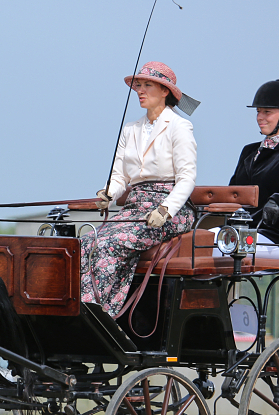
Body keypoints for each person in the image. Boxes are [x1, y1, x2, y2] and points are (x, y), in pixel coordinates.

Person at [80, 61, 197, 318]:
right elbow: (120, 175)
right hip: (136, 207)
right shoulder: (130, 129)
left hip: (170, 210)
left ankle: (98, 313)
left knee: (111, 243)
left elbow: (187, 178)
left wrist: (165, 209)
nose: (140, 91)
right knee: (86, 243)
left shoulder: (180, 127)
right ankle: (81, 307)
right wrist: (107, 193)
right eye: (138, 86)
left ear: (165, 91)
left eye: (147, 85)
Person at [222, 79, 279, 259]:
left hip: (271, 238)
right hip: (237, 231)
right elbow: (233, 192)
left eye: (267, 112)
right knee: (192, 243)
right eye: (258, 112)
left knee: (214, 248)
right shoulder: (249, 151)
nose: (259, 117)